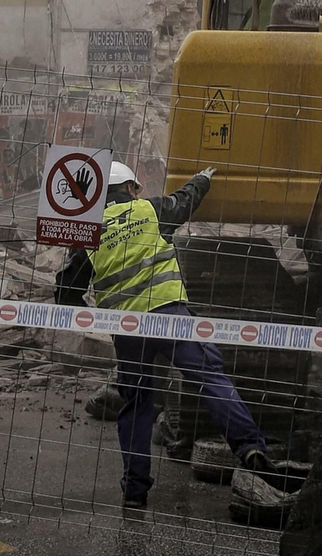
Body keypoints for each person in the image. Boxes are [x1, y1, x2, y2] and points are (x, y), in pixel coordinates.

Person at [54, 159, 275, 514]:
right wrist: (202, 179)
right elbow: (184, 201)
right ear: (129, 188)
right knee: (210, 378)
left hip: (128, 330)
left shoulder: (87, 232)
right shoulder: (150, 209)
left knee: (137, 404)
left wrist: (92, 306)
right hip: (170, 315)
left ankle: (135, 491)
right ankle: (250, 448)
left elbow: (65, 291)